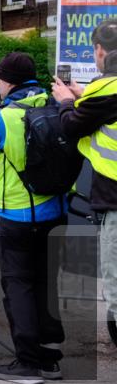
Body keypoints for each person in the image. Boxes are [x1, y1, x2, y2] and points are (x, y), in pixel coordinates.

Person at [0, 52, 65, 384]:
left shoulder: (6, 115)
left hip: (17, 212)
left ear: (8, 82)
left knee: (18, 285)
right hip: (55, 210)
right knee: (45, 283)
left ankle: (27, 363)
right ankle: (50, 360)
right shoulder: (56, 105)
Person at [54, 20, 117, 356]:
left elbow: (72, 127)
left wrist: (66, 101)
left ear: (100, 51)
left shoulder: (104, 91)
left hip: (114, 201)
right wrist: (81, 98)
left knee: (116, 288)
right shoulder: (104, 96)